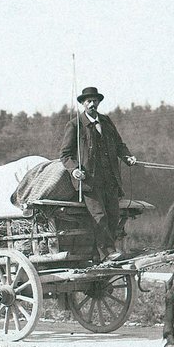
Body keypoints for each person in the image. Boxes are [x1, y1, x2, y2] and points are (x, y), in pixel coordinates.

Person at [60, 86, 137, 261]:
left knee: (113, 216)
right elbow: (64, 155)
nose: (92, 104)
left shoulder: (106, 122)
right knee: (99, 216)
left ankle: (99, 255)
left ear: (99, 102)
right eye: (88, 101)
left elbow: (119, 145)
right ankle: (109, 253)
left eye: (95, 101)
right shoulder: (75, 125)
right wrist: (75, 170)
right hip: (89, 182)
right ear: (82, 104)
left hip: (110, 180)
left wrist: (128, 157)